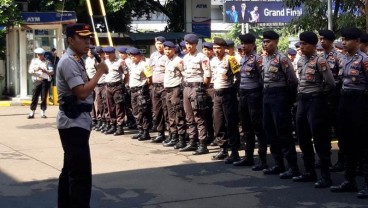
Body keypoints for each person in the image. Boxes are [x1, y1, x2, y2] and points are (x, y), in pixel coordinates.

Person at [56, 23, 108, 207]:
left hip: (77, 122)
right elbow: (82, 92)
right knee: (80, 176)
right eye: (82, 38)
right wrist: (99, 73)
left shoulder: (75, 59)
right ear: (70, 40)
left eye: (88, 38)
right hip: (73, 123)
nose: (87, 42)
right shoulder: (69, 61)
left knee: (70, 171)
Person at [293, 31, 335, 188]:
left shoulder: (320, 60)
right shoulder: (300, 60)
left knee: (319, 138)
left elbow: (330, 83)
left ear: (313, 45)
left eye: (305, 44)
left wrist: (319, 96)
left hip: (315, 101)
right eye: (301, 44)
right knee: (302, 136)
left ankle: (325, 175)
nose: (301, 47)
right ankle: (309, 171)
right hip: (302, 101)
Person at [330, 27, 368, 199]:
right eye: (343, 39)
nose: (344, 42)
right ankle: (349, 180)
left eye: (348, 39)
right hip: (344, 100)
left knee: (362, 144)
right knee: (346, 142)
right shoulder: (342, 58)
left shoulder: (364, 60)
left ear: (357, 41)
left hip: (359, 102)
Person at [261, 30, 300, 180]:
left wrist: (288, 98)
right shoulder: (265, 58)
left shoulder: (282, 58)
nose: (265, 44)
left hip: (280, 96)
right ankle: (278, 164)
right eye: (264, 41)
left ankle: (293, 167)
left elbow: (292, 81)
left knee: (283, 132)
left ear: (276, 42)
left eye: (268, 41)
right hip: (267, 96)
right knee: (270, 131)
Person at [233, 34, 268, 171]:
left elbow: (263, 78)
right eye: (242, 43)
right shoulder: (242, 58)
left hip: (254, 95)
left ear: (253, 45)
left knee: (258, 127)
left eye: (246, 43)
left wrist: (260, 94)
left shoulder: (257, 59)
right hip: (243, 95)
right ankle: (248, 157)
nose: (243, 46)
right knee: (246, 127)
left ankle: (262, 159)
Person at [209, 37, 241, 163]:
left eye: (219, 48)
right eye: (215, 48)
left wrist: (233, 91)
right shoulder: (213, 61)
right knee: (218, 123)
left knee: (231, 123)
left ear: (224, 48)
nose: (216, 50)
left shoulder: (231, 59)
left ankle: (234, 151)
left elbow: (238, 77)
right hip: (217, 94)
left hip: (228, 94)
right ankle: (222, 149)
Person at [318, 29, 345, 172]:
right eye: (320, 39)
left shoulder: (338, 57)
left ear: (331, 41)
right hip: (323, 96)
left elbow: (341, 78)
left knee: (340, 130)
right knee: (324, 130)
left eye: (325, 39)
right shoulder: (320, 56)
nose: (322, 41)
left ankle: (342, 160)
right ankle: (325, 159)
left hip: (335, 96)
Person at [180, 34, 211, 155]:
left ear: (195, 44)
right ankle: (192, 142)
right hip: (186, 87)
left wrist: (202, 89)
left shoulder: (202, 57)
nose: (188, 46)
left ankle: (203, 144)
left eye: (190, 44)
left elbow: (207, 76)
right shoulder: (185, 57)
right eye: (186, 44)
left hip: (197, 87)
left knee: (199, 117)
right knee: (189, 117)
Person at [161, 41, 187, 149]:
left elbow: (184, 75)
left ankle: (181, 139)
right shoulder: (167, 61)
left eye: (169, 49)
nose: (167, 51)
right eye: (165, 49)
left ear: (174, 50)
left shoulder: (178, 61)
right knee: (170, 115)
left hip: (176, 89)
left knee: (178, 114)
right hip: (168, 90)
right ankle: (174, 136)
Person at [129, 48, 153, 141]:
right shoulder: (132, 65)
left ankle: (146, 132)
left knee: (143, 112)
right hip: (133, 91)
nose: (133, 57)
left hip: (141, 91)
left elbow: (149, 79)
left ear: (139, 56)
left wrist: (144, 87)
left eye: (134, 56)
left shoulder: (144, 65)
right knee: (135, 112)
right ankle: (140, 131)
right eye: (131, 56)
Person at [103, 46, 128, 136]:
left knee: (119, 107)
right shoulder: (105, 62)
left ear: (113, 53)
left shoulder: (120, 62)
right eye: (106, 54)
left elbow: (126, 75)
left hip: (117, 86)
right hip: (108, 86)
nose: (107, 55)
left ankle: (120, 126)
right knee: (110, 107)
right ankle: (113, 125)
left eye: (108, 54)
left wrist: (122, 85)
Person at [150, 36, 169, 143]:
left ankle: (171, 134)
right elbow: (150, 70)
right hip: (155, 87)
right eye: (157, 44)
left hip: (165, 87)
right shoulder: (153, 56)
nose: (159, 46)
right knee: (157, 111)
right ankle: (160, 133)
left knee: (167, 111)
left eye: (161, 44)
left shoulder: (167, 56)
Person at [28, 47, 54, 119]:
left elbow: (52, 72)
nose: (39, 56)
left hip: (45, 80)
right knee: (34, 96)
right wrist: (35, 70)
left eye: (40, 54)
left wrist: (44, 71)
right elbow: (30, 71)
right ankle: (32, 112)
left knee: (44, 97)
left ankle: (43, 112)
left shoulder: (47, 62)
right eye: (38, 54)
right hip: (37, 80)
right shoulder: (34, 61)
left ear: (43, 55)